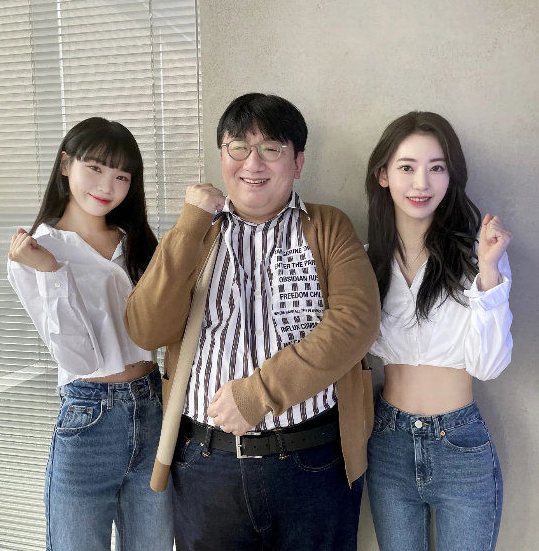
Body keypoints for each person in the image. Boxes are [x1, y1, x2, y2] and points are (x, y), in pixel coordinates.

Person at [125, 93, 380, 550]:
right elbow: (146, 329)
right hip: (205, 465)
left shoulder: (327, 227)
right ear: (222, 155)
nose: (252, 163)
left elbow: (355, 323)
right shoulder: (196, 233)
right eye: (238, 147)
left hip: (313, 462)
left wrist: (258, 394)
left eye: (271, 149)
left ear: (297, 162)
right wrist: (189, 225)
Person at [7, 117, 174, 551]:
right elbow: (78, 360)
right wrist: (51, 272)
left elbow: (166, 327)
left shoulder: (137, 243)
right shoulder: (36, 252)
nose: (107, 186)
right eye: (95, 168)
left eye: (121, 176)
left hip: (153, 410)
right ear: (66, 165)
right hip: (89, 421)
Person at [364, 111, 513, 551]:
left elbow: (488, 366)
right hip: (387, 440)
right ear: (383, 175)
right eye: (407, 167)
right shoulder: (366, 261)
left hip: (460, 443)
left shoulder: (477, 256)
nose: (421, 183)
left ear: (451, 177)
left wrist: (488, 271)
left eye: (436, 168)